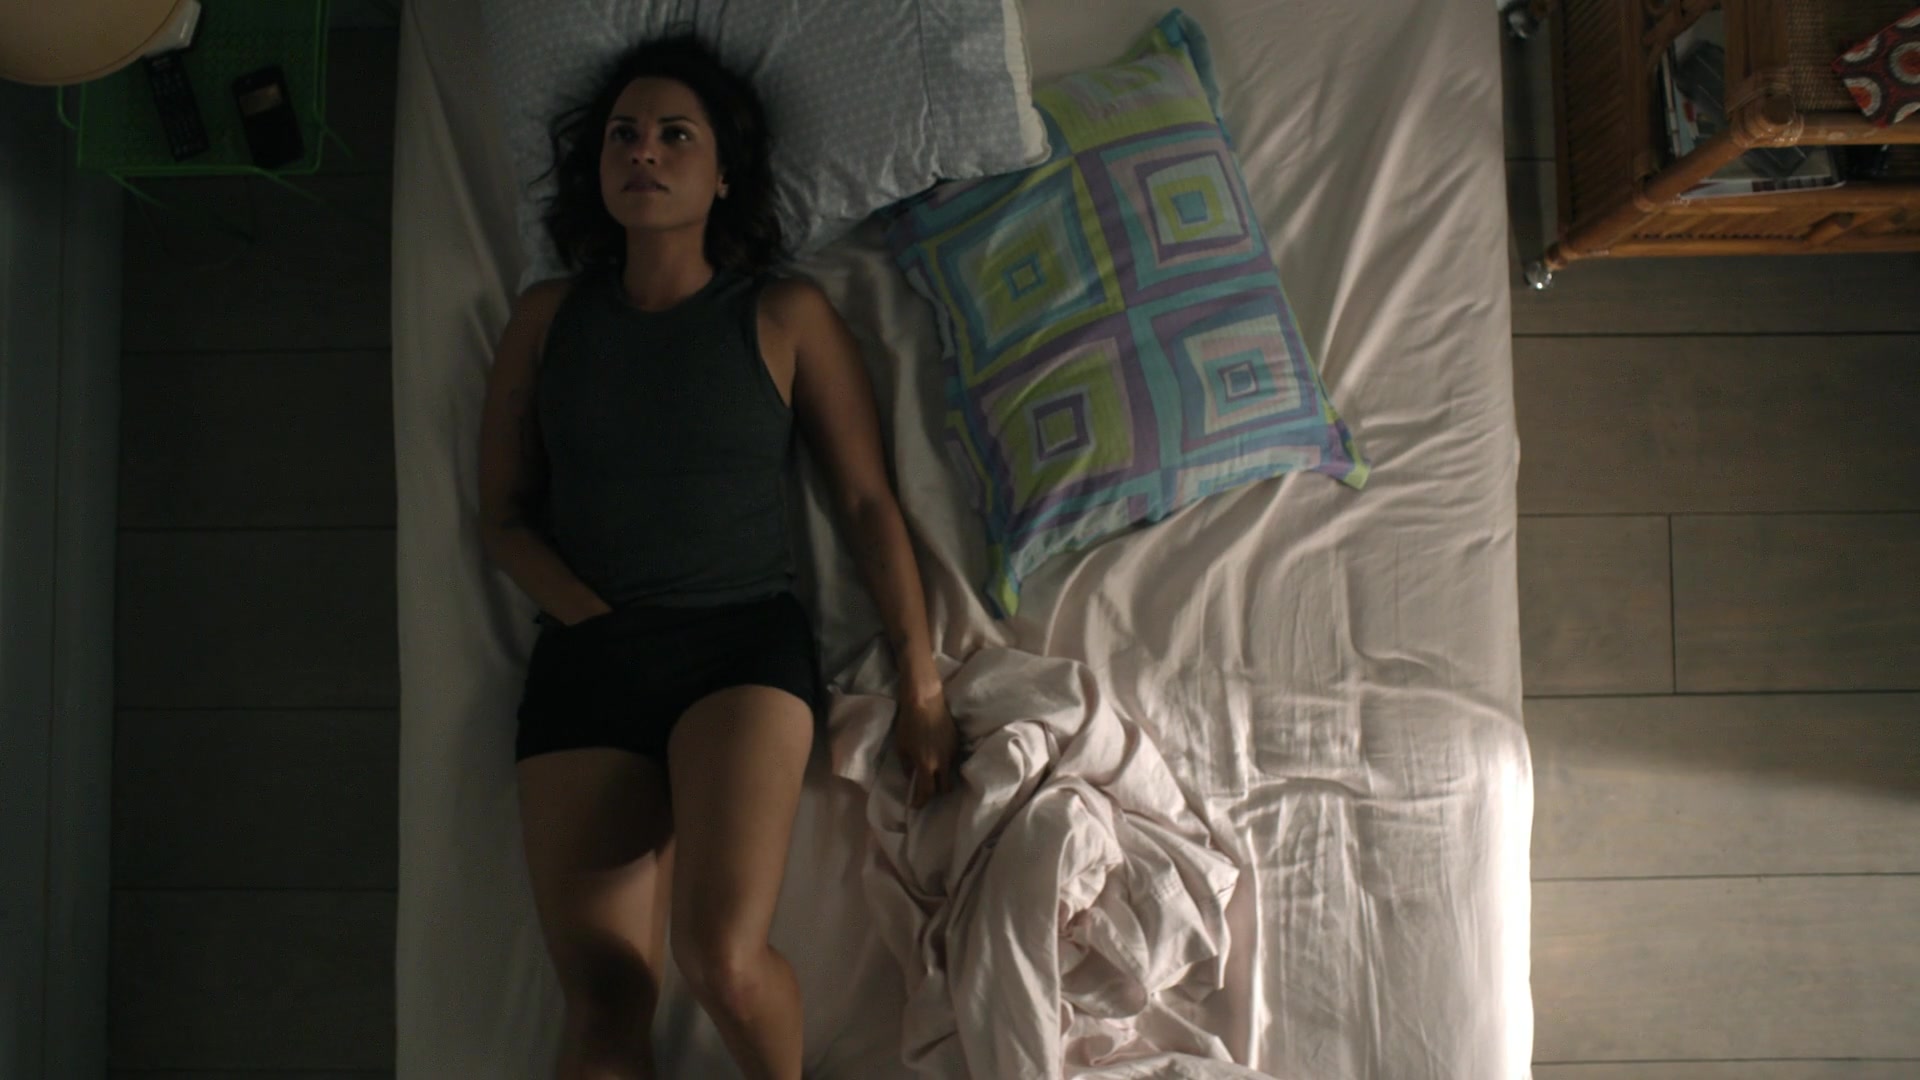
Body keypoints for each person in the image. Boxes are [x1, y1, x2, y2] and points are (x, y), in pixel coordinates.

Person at [476, 34, 958, 1080]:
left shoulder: (782, 314)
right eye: (623, 135)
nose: (642, 151)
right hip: (588, 659)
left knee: (721, 959)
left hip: (735, 652)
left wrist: (921, 681)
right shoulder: (547, 317)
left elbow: (866, 502)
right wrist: (589, 617)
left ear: (725, 173)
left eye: (674, 135)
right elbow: (501, 516)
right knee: (604, 995)